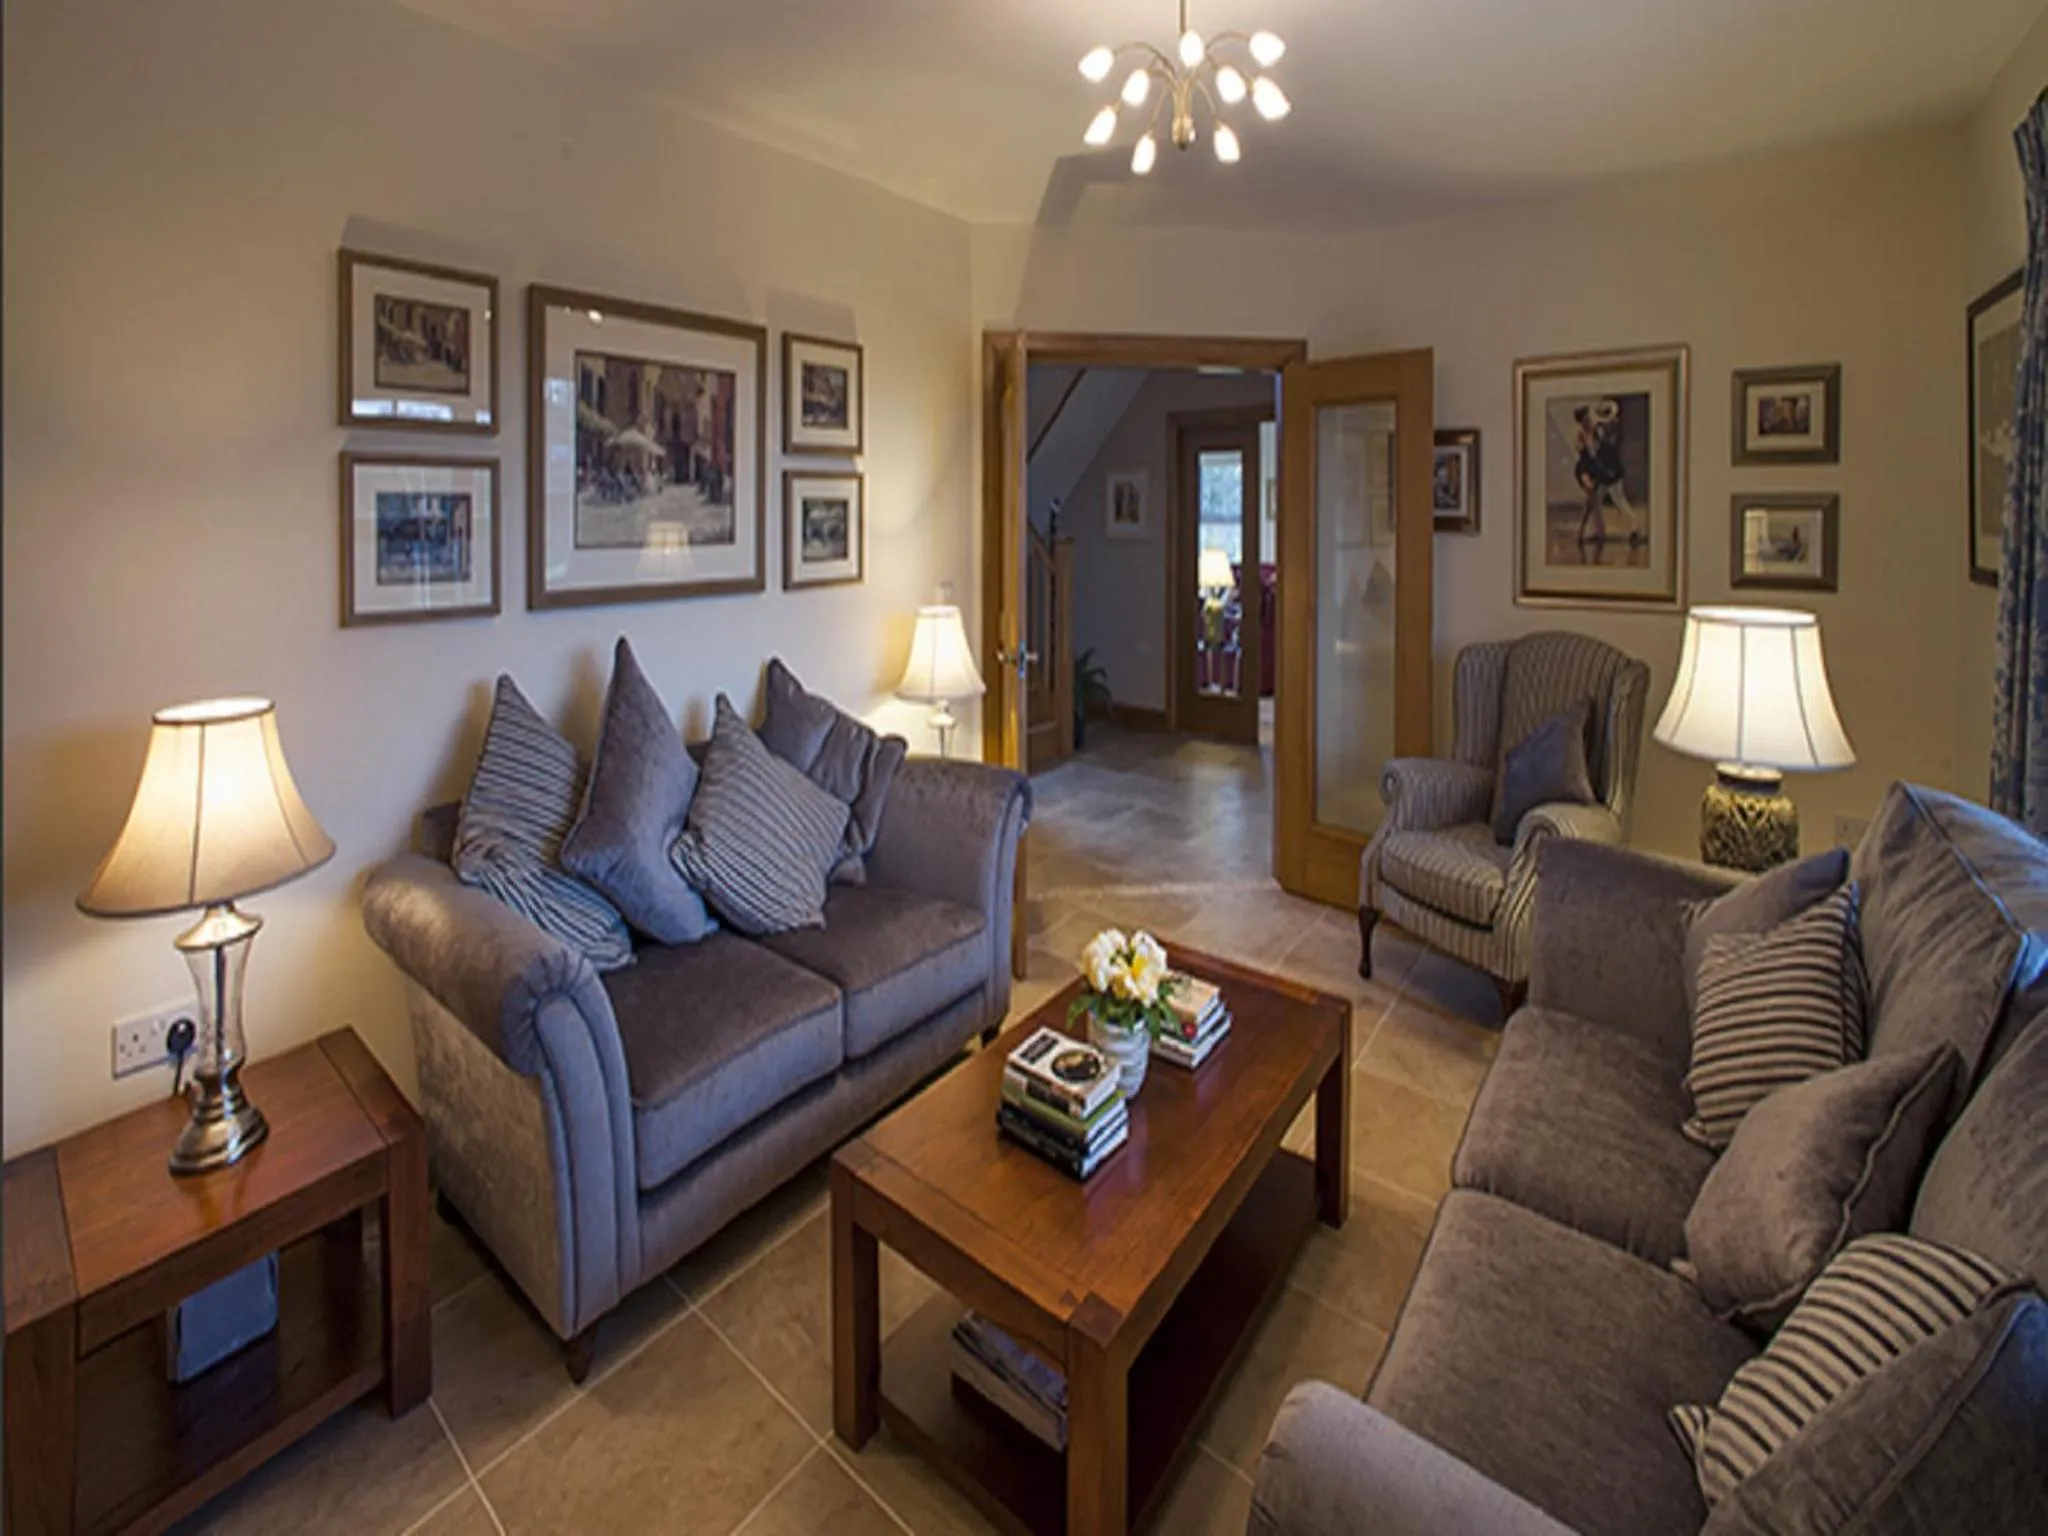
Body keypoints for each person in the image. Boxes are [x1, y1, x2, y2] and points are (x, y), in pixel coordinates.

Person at [1572, 399, 1639, 554]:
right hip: (1598, 473)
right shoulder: (1582, 437)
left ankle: (1634, 527)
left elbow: (1604, 448)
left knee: (1618, 499)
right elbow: (1586, 457)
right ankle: (1592, 532)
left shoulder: (1598, 431)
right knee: (1592, 504)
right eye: (1584, 419)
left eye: (1587, 418)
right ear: (1580, 421)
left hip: (1609, 471)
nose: (1587, 421)